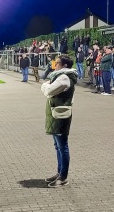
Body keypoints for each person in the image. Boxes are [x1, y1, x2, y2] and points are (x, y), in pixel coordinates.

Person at [40, 54, 78, 188]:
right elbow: (49, 89)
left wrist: (45, 86)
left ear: (65, 65)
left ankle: (63, 177)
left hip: (61, 115)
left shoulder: (64, 78)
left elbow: (48, 90)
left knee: (62, 147)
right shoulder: (59, 76)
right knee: (58, 146)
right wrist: (47, 86)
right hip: (56, 114)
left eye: (57, 63)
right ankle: (59, 172)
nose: (55, 65)